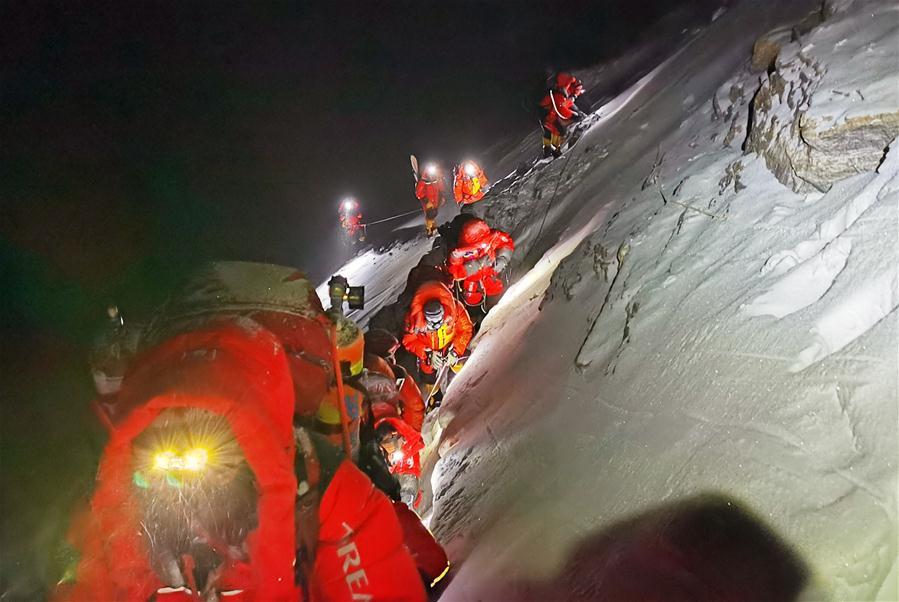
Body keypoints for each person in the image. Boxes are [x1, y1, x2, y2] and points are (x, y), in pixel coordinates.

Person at [56, 319, 427, 602]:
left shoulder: (314, 481)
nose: (175, 430)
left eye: (191, 411)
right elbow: (95, 577)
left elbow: (373, 574)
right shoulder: (123, 512)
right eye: (155, 420)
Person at [401, 281, 473, 393]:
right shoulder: (412, 320)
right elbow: (409, 341)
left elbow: (465, 329)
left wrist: (455, 350)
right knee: (429, 381)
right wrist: (428, 354)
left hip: (451, 349)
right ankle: (434, 397)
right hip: (429, 359)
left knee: (463, 365)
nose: (437, 327)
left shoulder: (456, 309)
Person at [446, 218, 514, 308]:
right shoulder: (460, 252)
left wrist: (503, 259)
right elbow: (455, 273)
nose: (482, 246)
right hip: (472, 279)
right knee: (472, 299)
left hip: (490, 272)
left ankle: (496, 308)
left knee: (498, 291)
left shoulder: (493, 237)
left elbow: (506, 242)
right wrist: (476, 264)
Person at [540, 72, 587, 158]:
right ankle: (552, 150)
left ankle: (551, 149)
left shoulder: (565, 81)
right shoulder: (555, 94)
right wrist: (573, 116)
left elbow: (576, 84)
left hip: (559, 105)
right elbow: (560, 110)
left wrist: (574, 96)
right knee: (557, 130)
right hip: (548, 114)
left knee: (555, 130)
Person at [414, 163, 446, 237]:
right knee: (430, 216)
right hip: (428, 202)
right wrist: (426, 201)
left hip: (436, 199)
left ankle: (434, 227)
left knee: (434, 214)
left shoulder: (436, 177)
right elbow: (419, 193)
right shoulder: (423, 181)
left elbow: (441, 186)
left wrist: (443, 195)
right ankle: (429, 230)